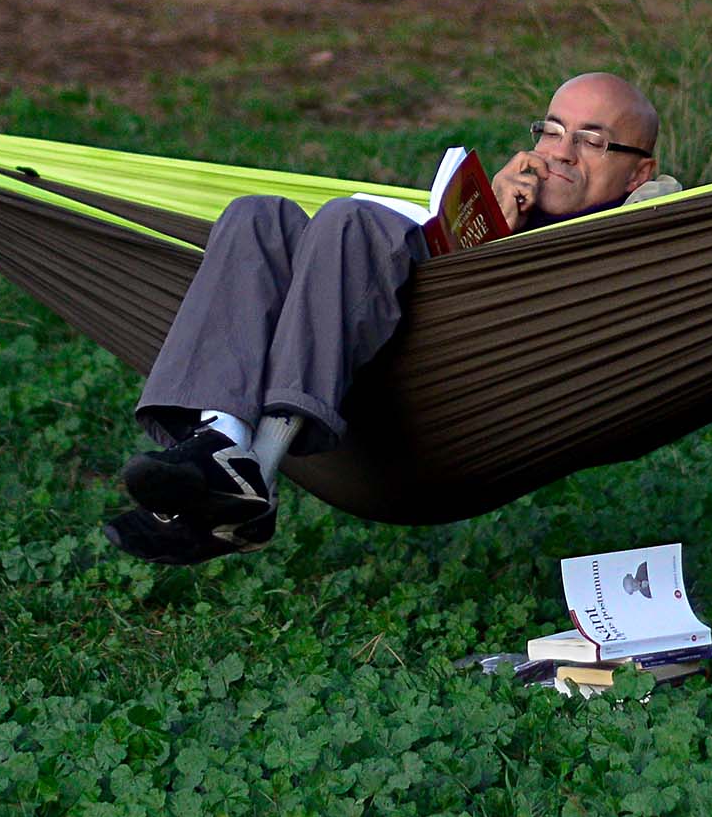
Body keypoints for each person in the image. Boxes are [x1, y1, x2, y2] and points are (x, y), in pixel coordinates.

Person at [105, 71, 676, 562]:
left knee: (350, 223)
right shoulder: (513, 198)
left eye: (592, 141)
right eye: (551, 130)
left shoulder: (644, 220)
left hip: (456, 365)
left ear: (636, 173)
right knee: (257, 217)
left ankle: (253, 476)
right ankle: (222, 442)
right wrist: (487, 217)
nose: (560, 152)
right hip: (375, 333)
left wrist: (498, 247)